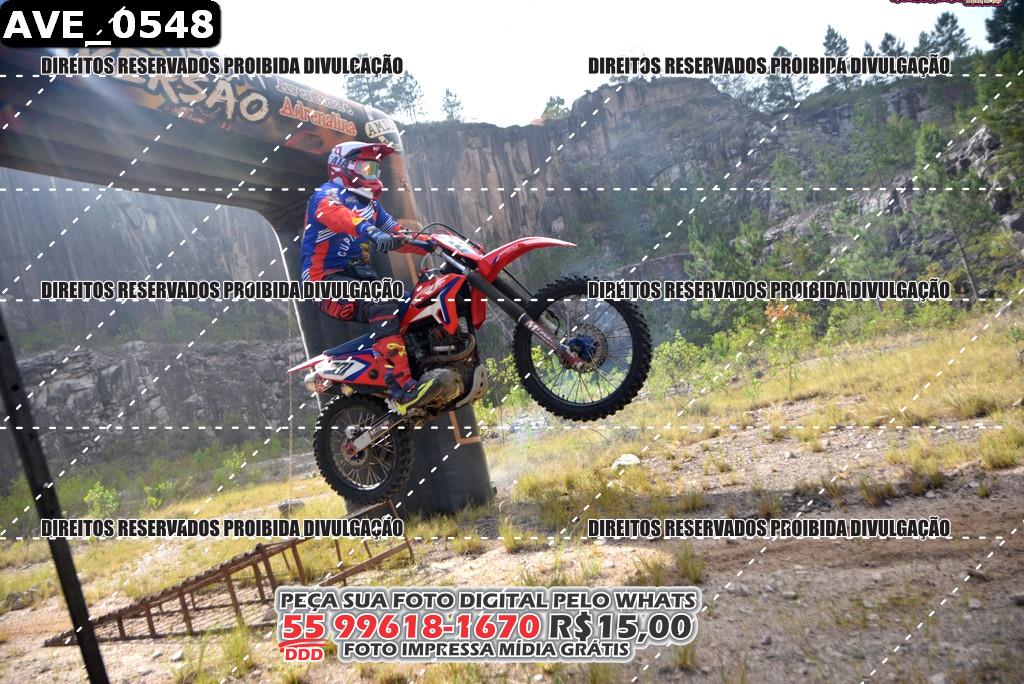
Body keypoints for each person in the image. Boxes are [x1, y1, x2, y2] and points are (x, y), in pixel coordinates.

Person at [300, 141, 440, 414]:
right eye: (366, 168)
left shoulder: (373, 207)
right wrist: (370, 231)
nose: (372, 174)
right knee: (382, 300)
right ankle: (402, 388)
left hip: (358, 280)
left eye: (375, 169)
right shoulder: (327, 194)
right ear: (344, 168)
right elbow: (336, 215)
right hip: (323, 282)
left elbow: (399, 235)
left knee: (415, 305)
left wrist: (434, 243)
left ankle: (421, 370)